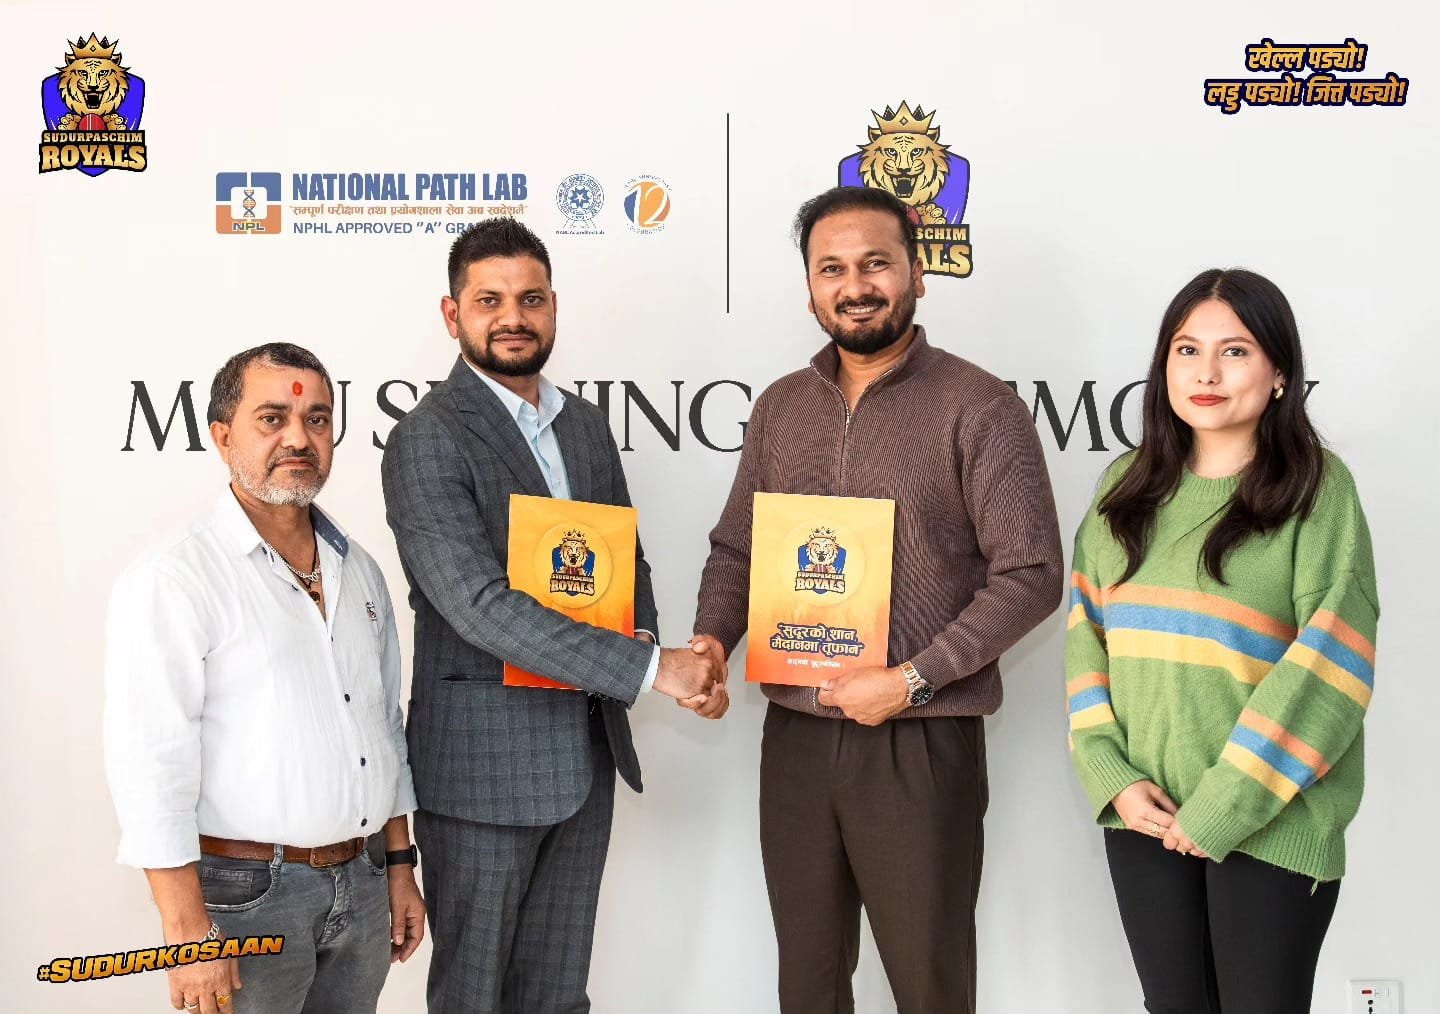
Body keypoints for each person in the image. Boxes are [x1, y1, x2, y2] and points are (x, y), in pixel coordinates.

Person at [691, 186, 1064, 1013]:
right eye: (832, 269)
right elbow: (739, 549)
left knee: (928, 984)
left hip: (919, 740)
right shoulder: (781, 407)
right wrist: (712, 640)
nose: (855, 286)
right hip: (796, 735)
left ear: (917, 274)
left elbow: (1032, 573)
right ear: (810, 288)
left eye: (875, 264)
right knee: (808, 984)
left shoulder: (979, 406)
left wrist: (911, 680)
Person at [380, 218, 724, 1013]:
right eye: (489, 300)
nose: (513, 316)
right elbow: (478, 606)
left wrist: (649, 642)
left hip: (583, 757)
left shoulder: (584, 426)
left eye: (530, 299)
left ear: (554, 307)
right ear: (452, 314)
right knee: (474, 999)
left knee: (558, 998)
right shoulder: (427, 439)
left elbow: (623, 563)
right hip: (482, 775)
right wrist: (654, 670)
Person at [1065, 268, 1379, 1012]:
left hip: (1272, 818)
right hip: (1146, 815)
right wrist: (1109, 774)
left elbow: (1331, 664)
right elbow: (1086, 639)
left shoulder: (1318, 491)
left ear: (1279, 372)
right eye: (1187, 350)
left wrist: (1224, 808)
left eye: (1234, 351)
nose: (1206, 373)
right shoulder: (1124, 488)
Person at [104, 343, 425, 1014]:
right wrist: (186, 933)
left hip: (364, 884)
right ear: (223, 437)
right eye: (272, 419)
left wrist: (399, 866)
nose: (298, 439)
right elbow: (150, 763)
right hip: (245, 899)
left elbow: (383, 725)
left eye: (316, 420)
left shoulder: (361, 570)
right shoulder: (175, 577)